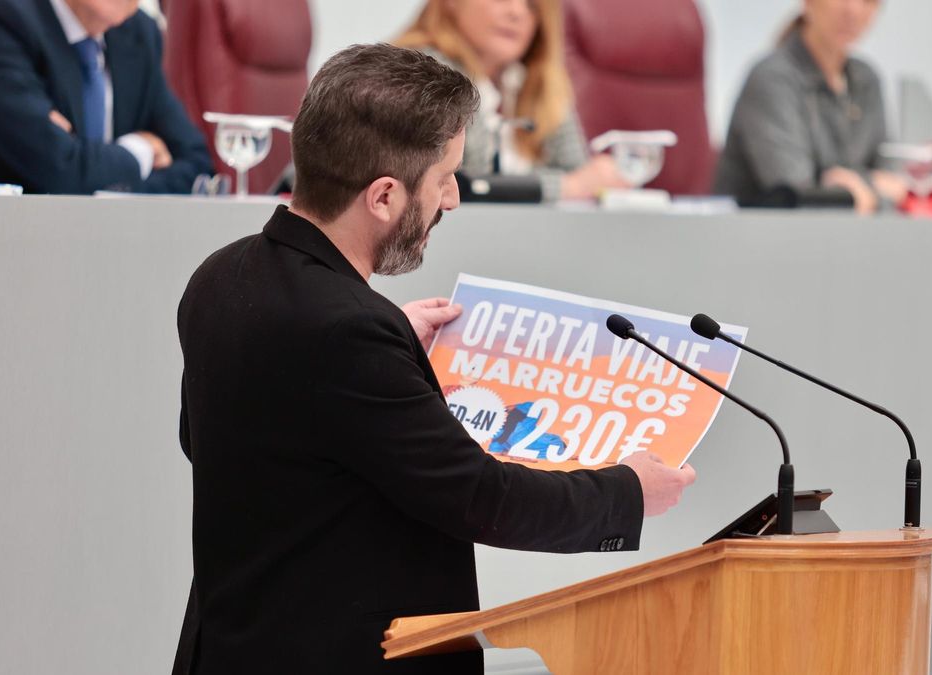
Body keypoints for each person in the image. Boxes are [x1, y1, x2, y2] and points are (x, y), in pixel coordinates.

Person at [171, 44, 695, 674]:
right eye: (444, 176)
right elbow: (483, 499)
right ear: (385, 195)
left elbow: (213, 440)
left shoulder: (222, 275)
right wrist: (628, 493)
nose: (451, 199)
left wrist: (390, 354)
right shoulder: (346, 331)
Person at [0, 0, 211, 194]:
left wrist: (109, 185)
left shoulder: (139, 33)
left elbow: (197, 165)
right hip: (14, 241)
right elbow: (60, 171)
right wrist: (141, 151)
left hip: (118, 240)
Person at [395, 0, 628, 201]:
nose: (517, 12)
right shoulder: (421, 71)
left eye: (531, 5)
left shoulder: (538, 81)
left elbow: (578, 170)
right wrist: (568, 187)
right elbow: (466, 183)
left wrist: (584, 182)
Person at [713, 0, 908, 214]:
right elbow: (797, 193)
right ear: (808, 3)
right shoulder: (772, 79)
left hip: (844, 239)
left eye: (867, 1)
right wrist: (863, 189)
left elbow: (895, 184)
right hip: (763, 237)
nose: (852, 10)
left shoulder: (866, 80)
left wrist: (854, 186)